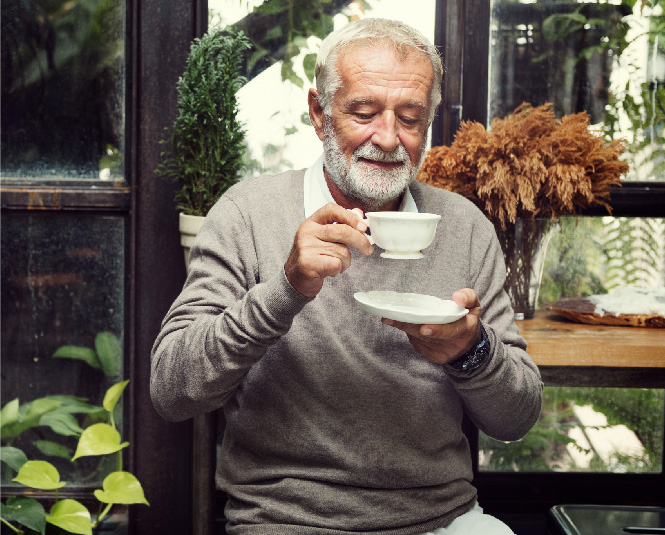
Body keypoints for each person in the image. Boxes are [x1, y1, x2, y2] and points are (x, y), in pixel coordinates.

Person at [151, 18, 543, 535]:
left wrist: (471, 352)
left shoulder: (464, 226)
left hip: (441, 520)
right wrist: (284, 291)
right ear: (318, 113)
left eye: (410, 117)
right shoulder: (248, 214)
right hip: (287, 521)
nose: (388, 138)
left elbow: (516, 419)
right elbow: (172, 390)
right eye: (363, 112)